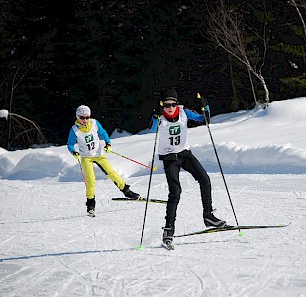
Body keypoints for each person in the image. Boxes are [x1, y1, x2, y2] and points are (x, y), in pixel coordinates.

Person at [149, 89, 227, 245]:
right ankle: (169, 228)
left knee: (204, 179)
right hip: (169, 158)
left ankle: (208, 216)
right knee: (175, 192)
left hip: (185, 154)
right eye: (166, 105)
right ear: (162, 105)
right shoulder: (161, 117)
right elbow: (152, 128)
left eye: (173, 104)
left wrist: (206, 108)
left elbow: (204, 120)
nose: (170, 108)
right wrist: (155, 116)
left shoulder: (184, 112)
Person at [67, 105, 140, 216]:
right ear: (77, 117)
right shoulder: (75, 130)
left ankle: (127, 191)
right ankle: (90, 205)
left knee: (111, 172)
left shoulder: (95, 123)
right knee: (90, 180)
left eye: (87, 117)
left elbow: (103, 133)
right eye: (82, 118)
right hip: (86, 157)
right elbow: (70, 144)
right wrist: (74, 152)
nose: (85, 120)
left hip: (98, 154)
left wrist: (108, 143)